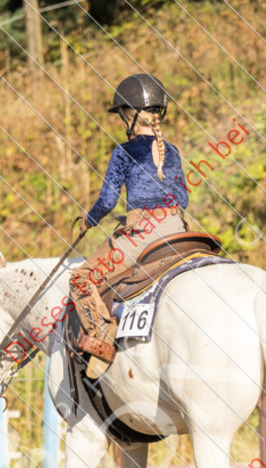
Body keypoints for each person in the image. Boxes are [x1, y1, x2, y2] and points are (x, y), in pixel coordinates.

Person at [71, 73, 190, 378]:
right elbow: (183, 198)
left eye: (123, 114)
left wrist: (88, 221)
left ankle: (102, 337)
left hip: (143, 235)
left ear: (131, 114)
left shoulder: (123, 152)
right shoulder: (172, 150)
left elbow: (108, 201)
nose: (122, 119)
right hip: (179, 230)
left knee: (80, 279)